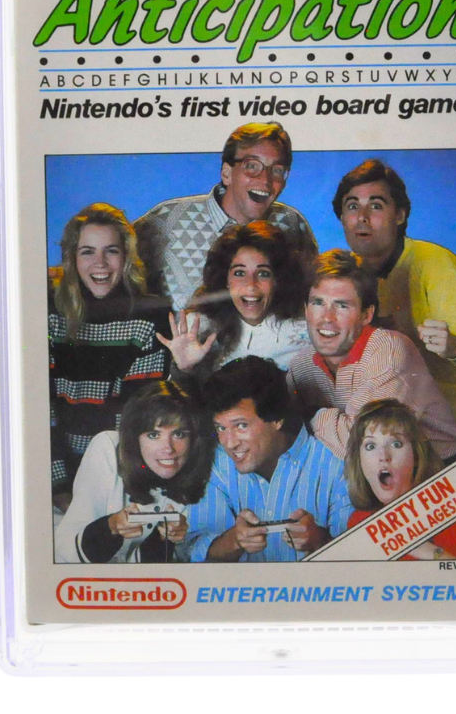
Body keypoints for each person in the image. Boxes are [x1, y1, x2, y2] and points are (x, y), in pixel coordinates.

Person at [287, 250, 456, 462]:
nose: (327, 318)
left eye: (342, 305)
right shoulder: (301, 364)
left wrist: (310, 416)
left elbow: (362, 446)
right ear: (306, 309)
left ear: (366, 315)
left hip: (444, 470)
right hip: (380, 473)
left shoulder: (389, 350)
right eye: (318, 303)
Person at [49, 203, 170, 508]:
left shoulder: (150, 316)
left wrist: (118, 493)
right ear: (72, 258)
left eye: (111, 251)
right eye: (87, 252)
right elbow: (40, 410)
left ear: (126, 257)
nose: (100, 263)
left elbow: (137, 417)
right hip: (54, 478)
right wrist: (59, 488)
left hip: (122, 478)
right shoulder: (48, 311)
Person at [332, 159, 456, 427]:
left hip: (450, 428)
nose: (362, 217)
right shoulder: (346, 274)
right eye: (352, 206)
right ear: (342, 218)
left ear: (400, 215)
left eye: (376, 205)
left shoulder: (435, 263)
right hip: (387, 430)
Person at [184, 356, 352, 562]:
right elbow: (192, 550)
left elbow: (361, 561)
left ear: (277, 418)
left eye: (241, 426)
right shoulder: (217, 464)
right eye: (221, 428)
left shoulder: (335, 462)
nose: (229, 443)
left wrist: (320, 541)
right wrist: (234, 541)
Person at [134, 122, 317, 310]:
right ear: (227, 173)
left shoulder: (292, 224)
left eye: (277, 170)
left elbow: (313, 298)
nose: (265, 180)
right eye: (251, 166)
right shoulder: (165, 221)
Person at [54, 380, 215, 563]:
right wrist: (111, 527)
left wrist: (163, 540)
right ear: (134, 437)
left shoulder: (204, 471)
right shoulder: (108, 447)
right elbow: (64, 551)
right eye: (154, 435)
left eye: (178, 434)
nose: (168, 448)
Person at [158, 221, 309, 382]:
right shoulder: (198, 327)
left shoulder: (305, 328)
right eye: (239, 273)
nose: (251, 285)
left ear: (277, 280)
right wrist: (184, 369)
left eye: (263, 273)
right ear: (225, 279)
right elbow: (174, 397)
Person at [344, 399, 456, 560]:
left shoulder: (455, 517)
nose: (383, 456)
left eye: (396, 444)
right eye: (370, 446)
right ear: (360, 460)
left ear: (416, 456)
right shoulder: (358, 522)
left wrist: (423, 549)